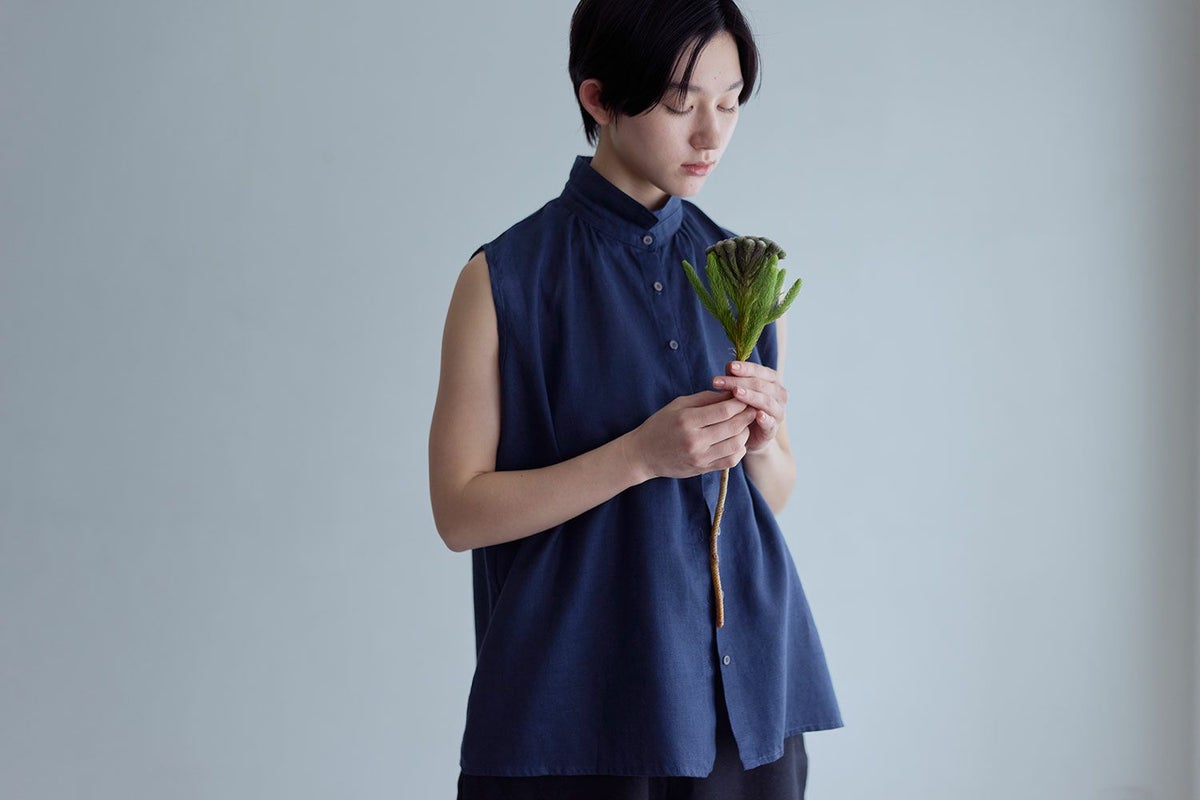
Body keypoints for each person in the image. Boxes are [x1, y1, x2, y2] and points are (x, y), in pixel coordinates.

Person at [428, 1, 843, 797]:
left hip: (741, 704)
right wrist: (641, 456)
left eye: (730, 104)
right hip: (572, 711)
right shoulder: (504, 281)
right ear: (599, 98)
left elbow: (773, 495)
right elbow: (460, 513)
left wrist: (761, 443)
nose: (711, 135)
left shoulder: (746, 274)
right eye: (681, 104)